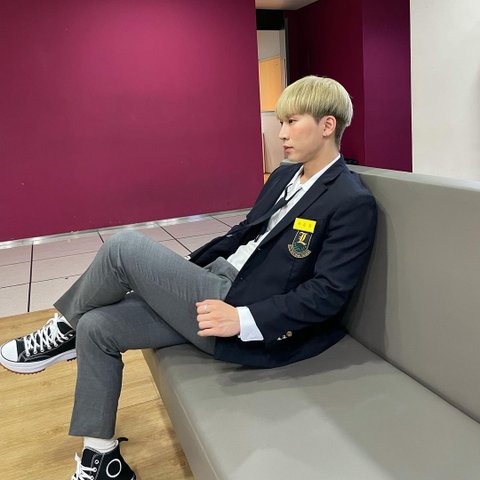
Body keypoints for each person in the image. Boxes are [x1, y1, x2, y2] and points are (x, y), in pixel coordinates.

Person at [0, 76, 377, 480]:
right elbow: (242, 234)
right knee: (96, 326)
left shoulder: (350, 201)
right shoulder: (286, 176)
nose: (281, 133)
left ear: (327, 125)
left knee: (124, 247)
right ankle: (103, 458)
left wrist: (242, 319)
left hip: (246, 308)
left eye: (292, 122)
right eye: (281, 122)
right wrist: (182, 273)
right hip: (216, 280)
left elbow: (327, 293)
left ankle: (63, 329)